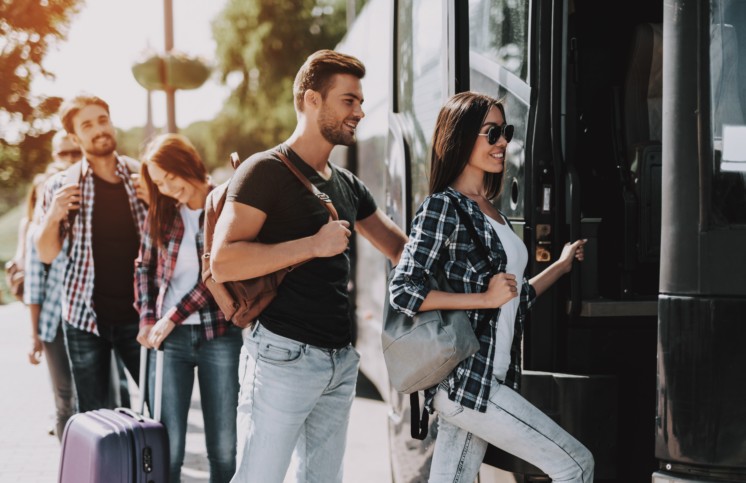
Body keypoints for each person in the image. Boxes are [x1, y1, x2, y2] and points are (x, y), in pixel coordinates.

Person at [210, 50, 409, 483]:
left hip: (340, 363)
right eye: (348, 100)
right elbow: (223, 261)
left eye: (359, 101)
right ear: (310, 100)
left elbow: (399, 248)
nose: (358, 111)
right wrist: (312, 246)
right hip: (283, 357)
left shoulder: (347, 184)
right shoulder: (263, 171)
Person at [388, 92, 593, 483]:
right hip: (467, 382)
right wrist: (483, 297)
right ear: (460, 137)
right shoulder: (442, 207)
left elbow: (514, 298)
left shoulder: (493, 210)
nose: (503, 142)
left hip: (490, 379)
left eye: (505, 132)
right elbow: (403, 290)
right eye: (491, 133)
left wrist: (562, 266)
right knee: (576, 465)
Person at [134, 134, 242, 483]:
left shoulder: (227, 202)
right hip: (170, 341)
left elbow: (219, 275)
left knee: (223, 450)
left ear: (187, 166)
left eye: (169, 178)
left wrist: (170, 316)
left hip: (220, 336)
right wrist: (148, 319)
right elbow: (143, 267)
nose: (165, 189)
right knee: (170, 448)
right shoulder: (163, 211)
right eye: (158, 183)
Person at [34, 94, 149, 413]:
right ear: (74, 137)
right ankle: (103, 466)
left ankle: (158, 464)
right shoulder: (60, 186)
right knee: (93, 414)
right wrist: (53, 215)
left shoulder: (143, 177)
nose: (99, 129)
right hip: (85, 318)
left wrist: (155, 202)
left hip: (143, 318)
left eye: (102, 120)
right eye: (87, 125)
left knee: (161, 404)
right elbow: (46, 254)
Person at [23, 130, 81, 440]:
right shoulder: (41, 220)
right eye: (64, 154)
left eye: (76, 153)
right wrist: (33, 335)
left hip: (98, 318)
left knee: (104, 399)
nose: (70, 159)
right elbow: (34, 285)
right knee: (65, 402)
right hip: (55, 322)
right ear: (54, 157)